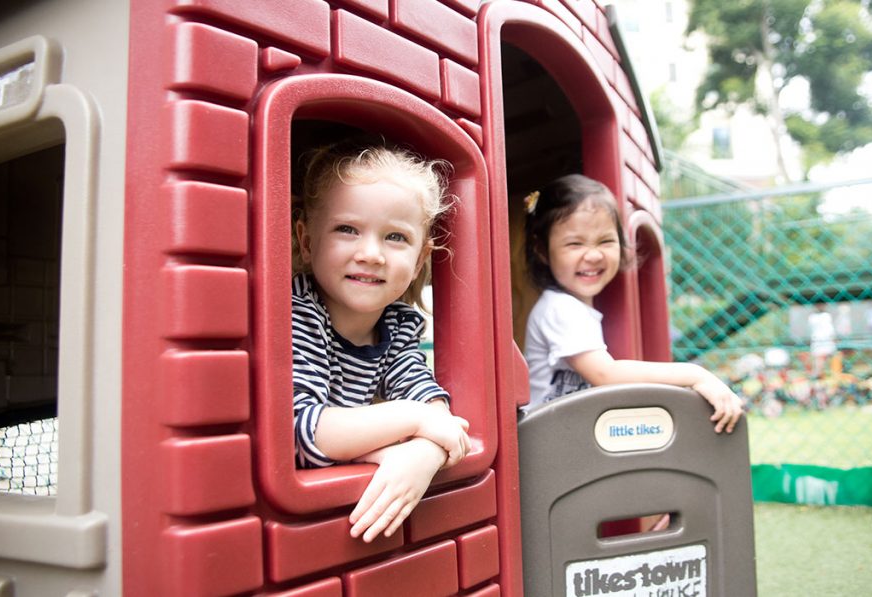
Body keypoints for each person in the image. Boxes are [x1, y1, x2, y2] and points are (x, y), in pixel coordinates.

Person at [291, 143, 471, 543]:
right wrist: (413, 424)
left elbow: (430, 403)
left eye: (395, 237)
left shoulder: (400, 325)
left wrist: (424, 453)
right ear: (306, 241)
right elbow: (303, 433)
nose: (370, 254)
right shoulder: (299, 311)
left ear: (421, 258)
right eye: (347, 229)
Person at [522, 174, 743, 434]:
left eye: (605, 241)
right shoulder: (560, 308)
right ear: (542, 250)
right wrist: (696, 375)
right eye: (574, 244)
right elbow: (606, 375)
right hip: (545, 440)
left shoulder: (574, 309)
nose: (593, 255)